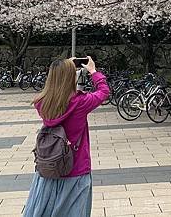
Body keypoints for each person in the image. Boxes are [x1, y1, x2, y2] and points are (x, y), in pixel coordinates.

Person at [23, 56, 109, 217]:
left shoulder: (42, 102)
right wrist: (93, 71)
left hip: (49, 168)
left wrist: (62, 66)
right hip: (75, 168)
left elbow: (54, 91)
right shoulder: (80, 102)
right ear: (71, 77)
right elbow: (104, 92)